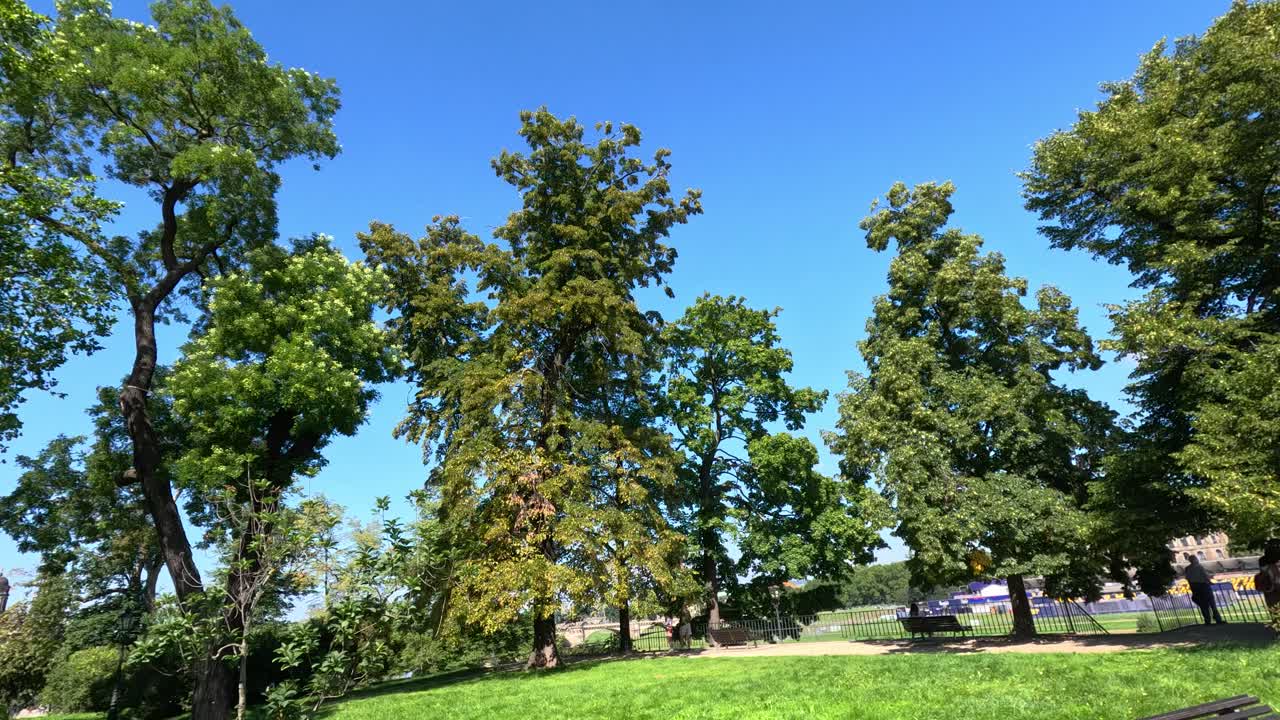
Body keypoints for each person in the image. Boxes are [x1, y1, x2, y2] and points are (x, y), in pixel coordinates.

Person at [1184, 554, 1226, 625]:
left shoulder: (1187, 568)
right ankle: (1218, 619)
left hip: (1195, 588)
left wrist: (1192, 588)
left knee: (1203, 606)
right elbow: (1205, 575)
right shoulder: (1199, 567)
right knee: (1212, 604)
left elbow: (1188, 579)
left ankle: (1207, 620)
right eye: (1196, 558)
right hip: (1204, 586)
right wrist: (1210, 582)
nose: (1197, 560)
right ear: (1195, 560)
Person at [1255, 547, 1280, 611]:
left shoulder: (1262, 561)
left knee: (1274, 611)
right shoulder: (1273, 566)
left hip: (1269, 592)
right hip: (1275, 590)